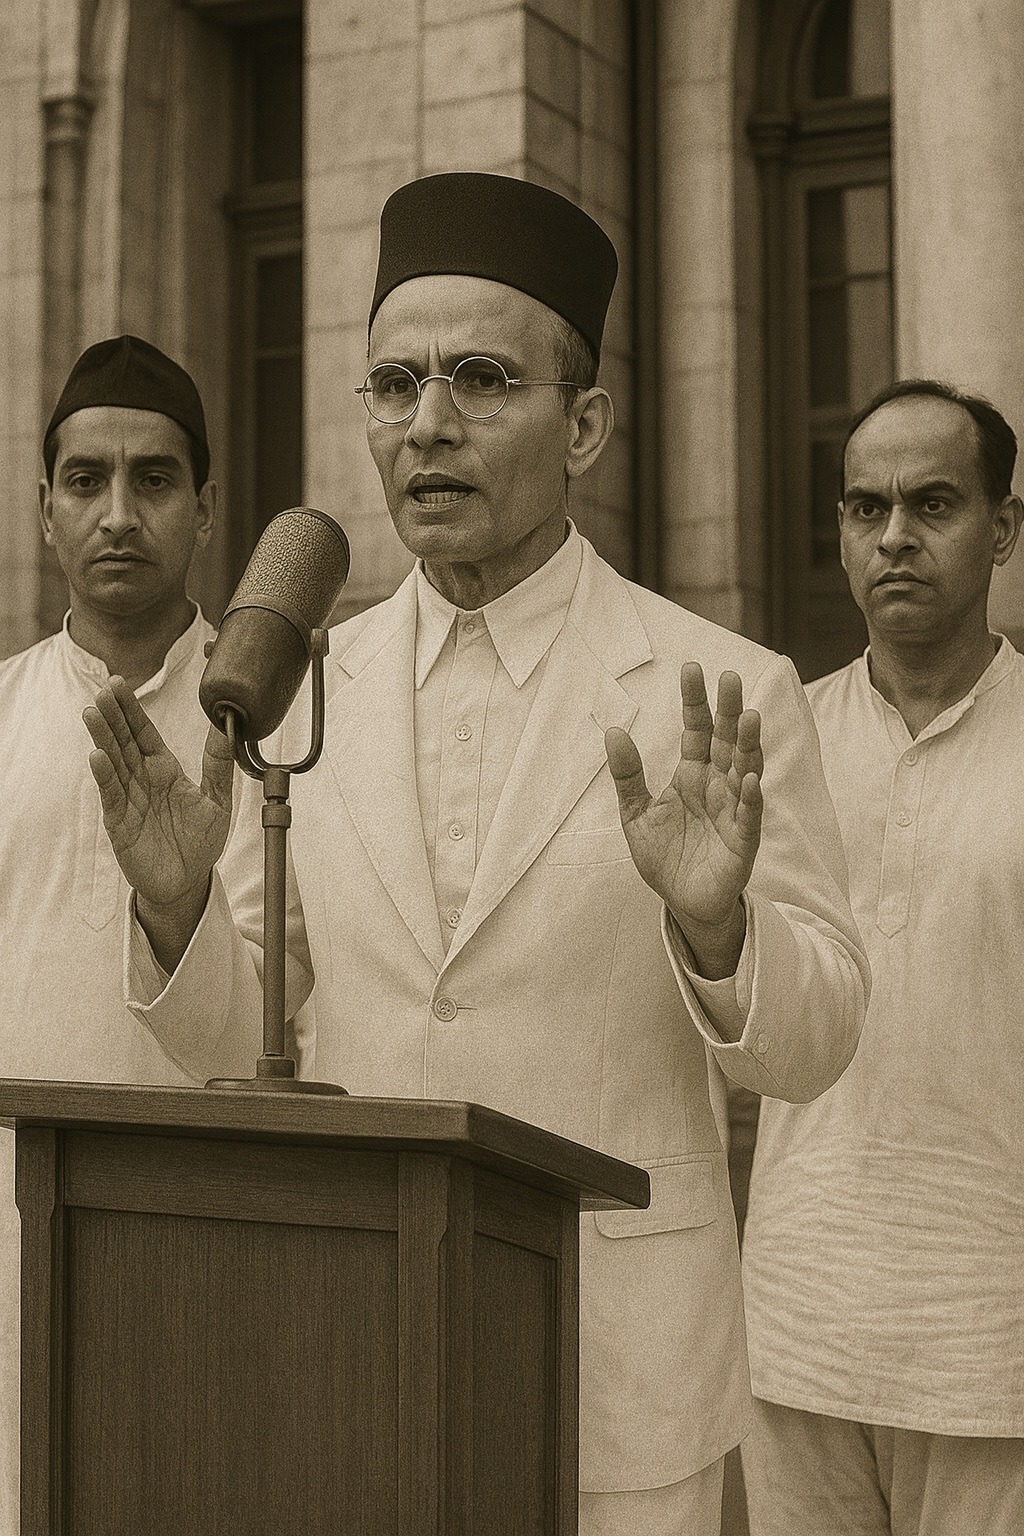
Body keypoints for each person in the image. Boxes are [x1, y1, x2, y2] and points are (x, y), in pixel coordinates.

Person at [85, 174, 868, 1535]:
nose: (426, 426)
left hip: (620, 1366)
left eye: (479, 379)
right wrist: (177, 916)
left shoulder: (717, 685)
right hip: (367, 1333)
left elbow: (814, 1046)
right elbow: (244, 1027)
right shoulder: (307, 687)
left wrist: (718, 935)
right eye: (392, 386)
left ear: (585, 427)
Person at [740, 380, 1024, 1535]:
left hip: (994, 1341)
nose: (894, 535)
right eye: (865, 508)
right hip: (798, 1326)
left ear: (1003, 527)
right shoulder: (772, 744)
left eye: (933, 504)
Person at [0, 335, 257, 1536]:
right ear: (44, 506)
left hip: (220, 1257)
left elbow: (286, 1025)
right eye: (85, 480)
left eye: (154, 481)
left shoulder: (285, 725)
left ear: (205, 510)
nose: (118, 513)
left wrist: (176, 907)